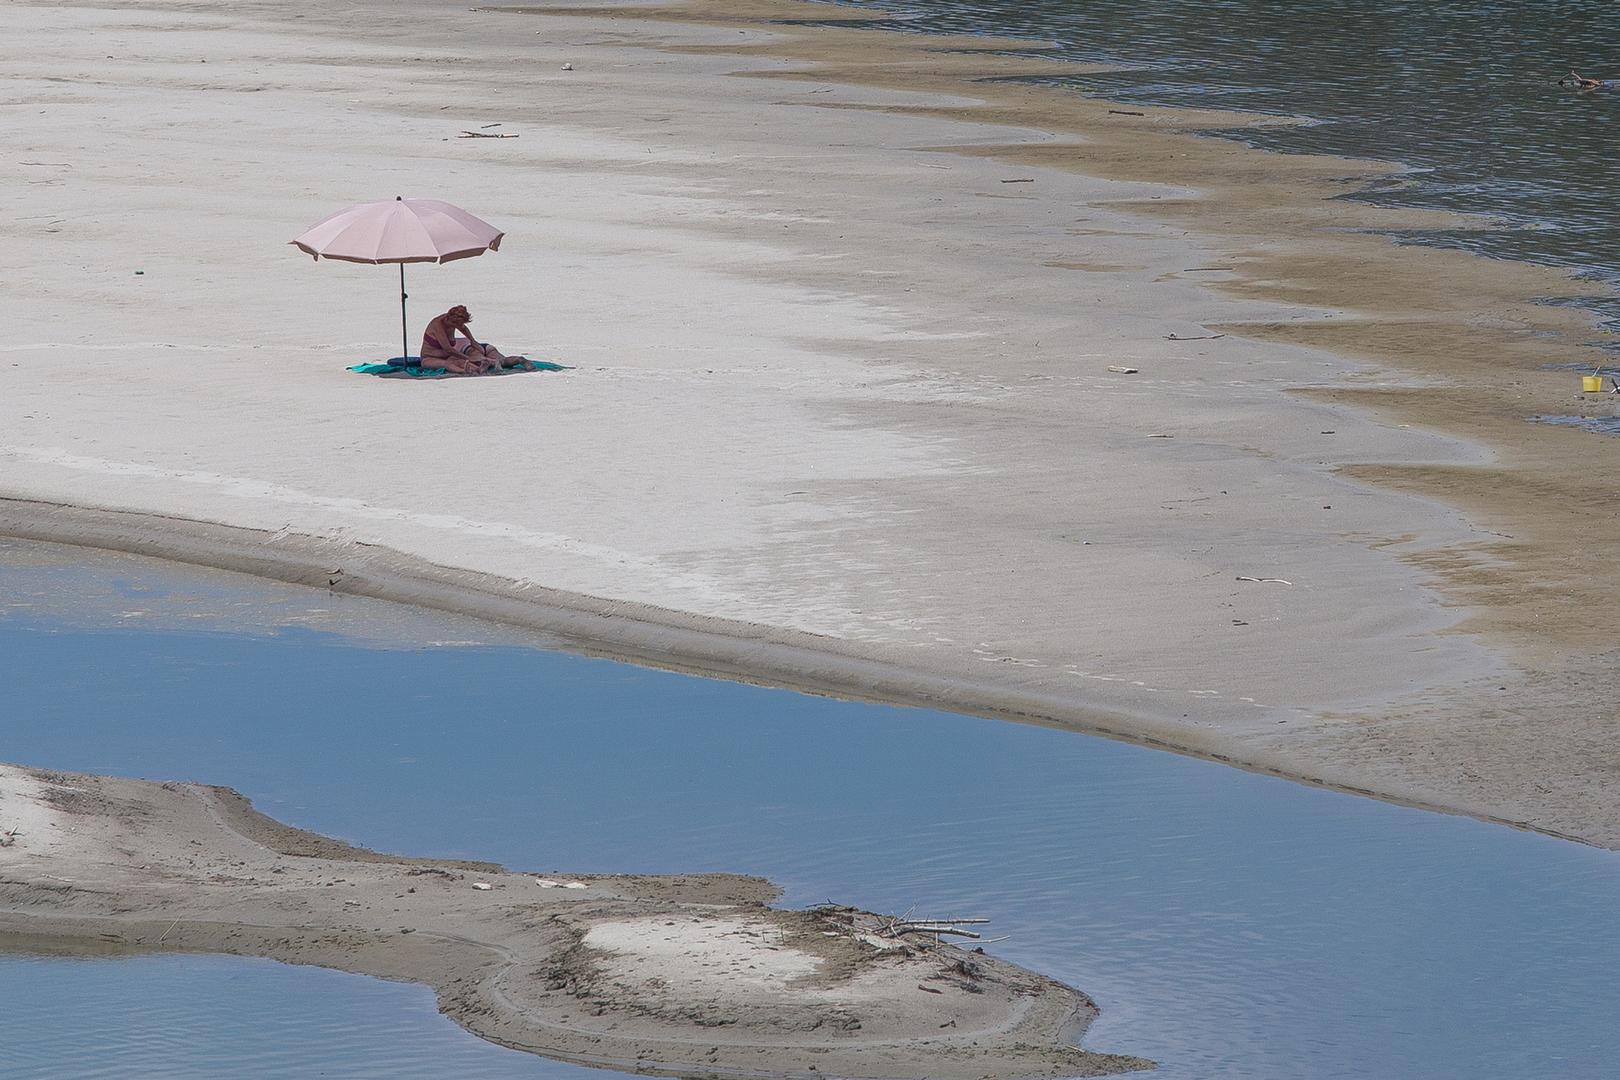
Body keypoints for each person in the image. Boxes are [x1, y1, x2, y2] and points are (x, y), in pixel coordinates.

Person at [419, 305, 530, 373]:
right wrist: (469, 356)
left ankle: (480, 367)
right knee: (495, 360)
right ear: (450, 319)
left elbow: (463, 328)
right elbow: (448, 349)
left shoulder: (451, 321)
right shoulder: (438, 325)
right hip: (432, 357)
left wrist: (472, 340)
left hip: (454, 353)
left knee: (458, 362)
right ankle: (514, 360)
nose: (458, 327)